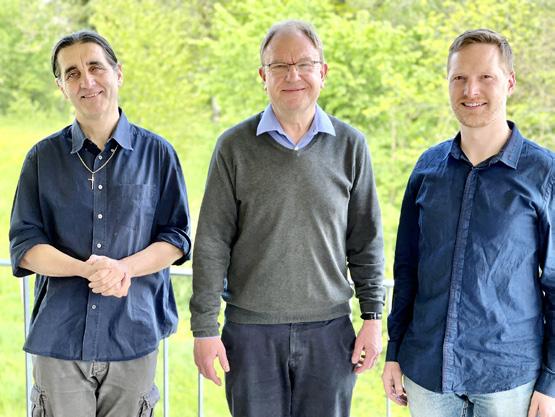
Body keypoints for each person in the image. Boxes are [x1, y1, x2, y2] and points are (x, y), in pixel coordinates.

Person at [189, 20, 385, 417]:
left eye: (304, 64)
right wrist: (204, 328)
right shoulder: (233, 147)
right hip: (250, 334)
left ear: (322, 72)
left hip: (330, 333)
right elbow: (211, 243)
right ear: (263, 76)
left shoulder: (351, 146)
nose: (292, 75)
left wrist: (372, 317)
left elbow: (366, 241)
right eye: (279, 66)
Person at [9, 30, 191, 417]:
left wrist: (124, 269)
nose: (86, 81)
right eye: (72, 73)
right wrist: (86, 269)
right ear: (61, 87)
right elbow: (25, 245)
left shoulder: (159, 154)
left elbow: (176, 237)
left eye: (95, 67)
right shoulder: (42, 158)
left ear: (118, 73)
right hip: (60, 337)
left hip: (133, 333)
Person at [382, 28, 555, 417]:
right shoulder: (427, 168)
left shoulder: (544, 174)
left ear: (509, 82)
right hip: (427, 374)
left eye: (485, 77)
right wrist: (394, 352)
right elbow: (407, 270)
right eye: (459, 77)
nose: (470, 89)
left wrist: (551, 381)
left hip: (508, 379)